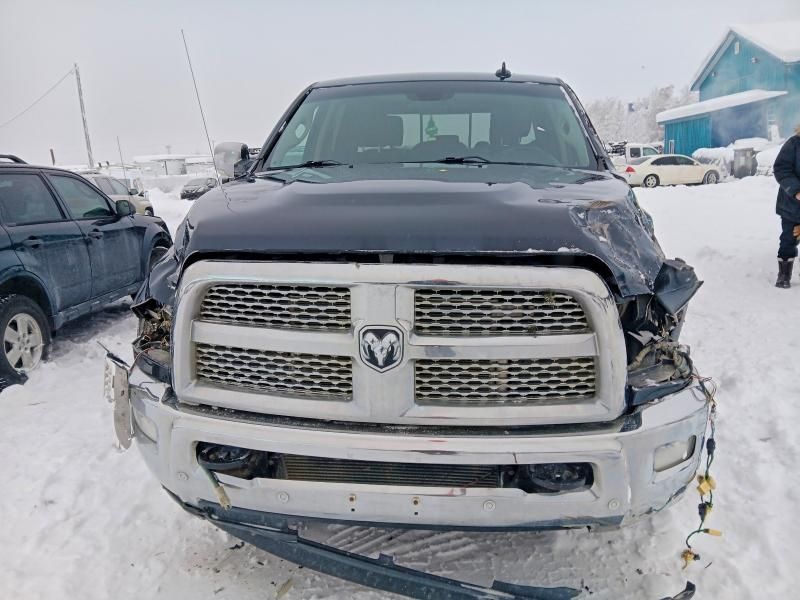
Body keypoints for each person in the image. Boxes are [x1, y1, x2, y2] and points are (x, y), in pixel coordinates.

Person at [774, 126, 800, 288]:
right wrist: (796, 190)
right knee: (789, 239)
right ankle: (784, 274)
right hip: (792, 204)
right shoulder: (794, 144)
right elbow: (781, 168)